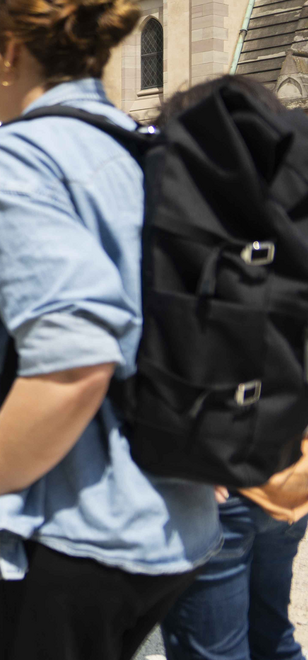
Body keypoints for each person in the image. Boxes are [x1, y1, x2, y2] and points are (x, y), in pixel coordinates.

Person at [0, 0, 220, 659]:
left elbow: (74, 360)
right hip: (170, 519)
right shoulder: (141, 147)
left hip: (67, 528)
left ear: (9, 50)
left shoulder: (21, 156)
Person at [150, 74, 308, 660]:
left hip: (217, 481)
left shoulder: (194, 233)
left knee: (213, 650)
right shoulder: (290, 223)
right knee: (272, 633)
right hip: (289, 474)